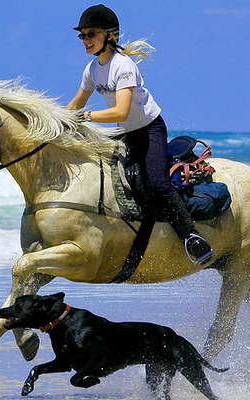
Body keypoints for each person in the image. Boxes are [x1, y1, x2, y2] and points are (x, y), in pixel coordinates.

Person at [67, 4, 213, 265]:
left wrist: (86, 117)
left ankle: (192, 237)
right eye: (82, 35)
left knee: (157, 183)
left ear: (109, 36)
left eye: (91, 34)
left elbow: (121, 111)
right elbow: (76, 103)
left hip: (149, 130)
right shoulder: (91, 69)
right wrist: (57, 123)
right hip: (124, 132)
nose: (85, 40)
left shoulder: (123, 66)